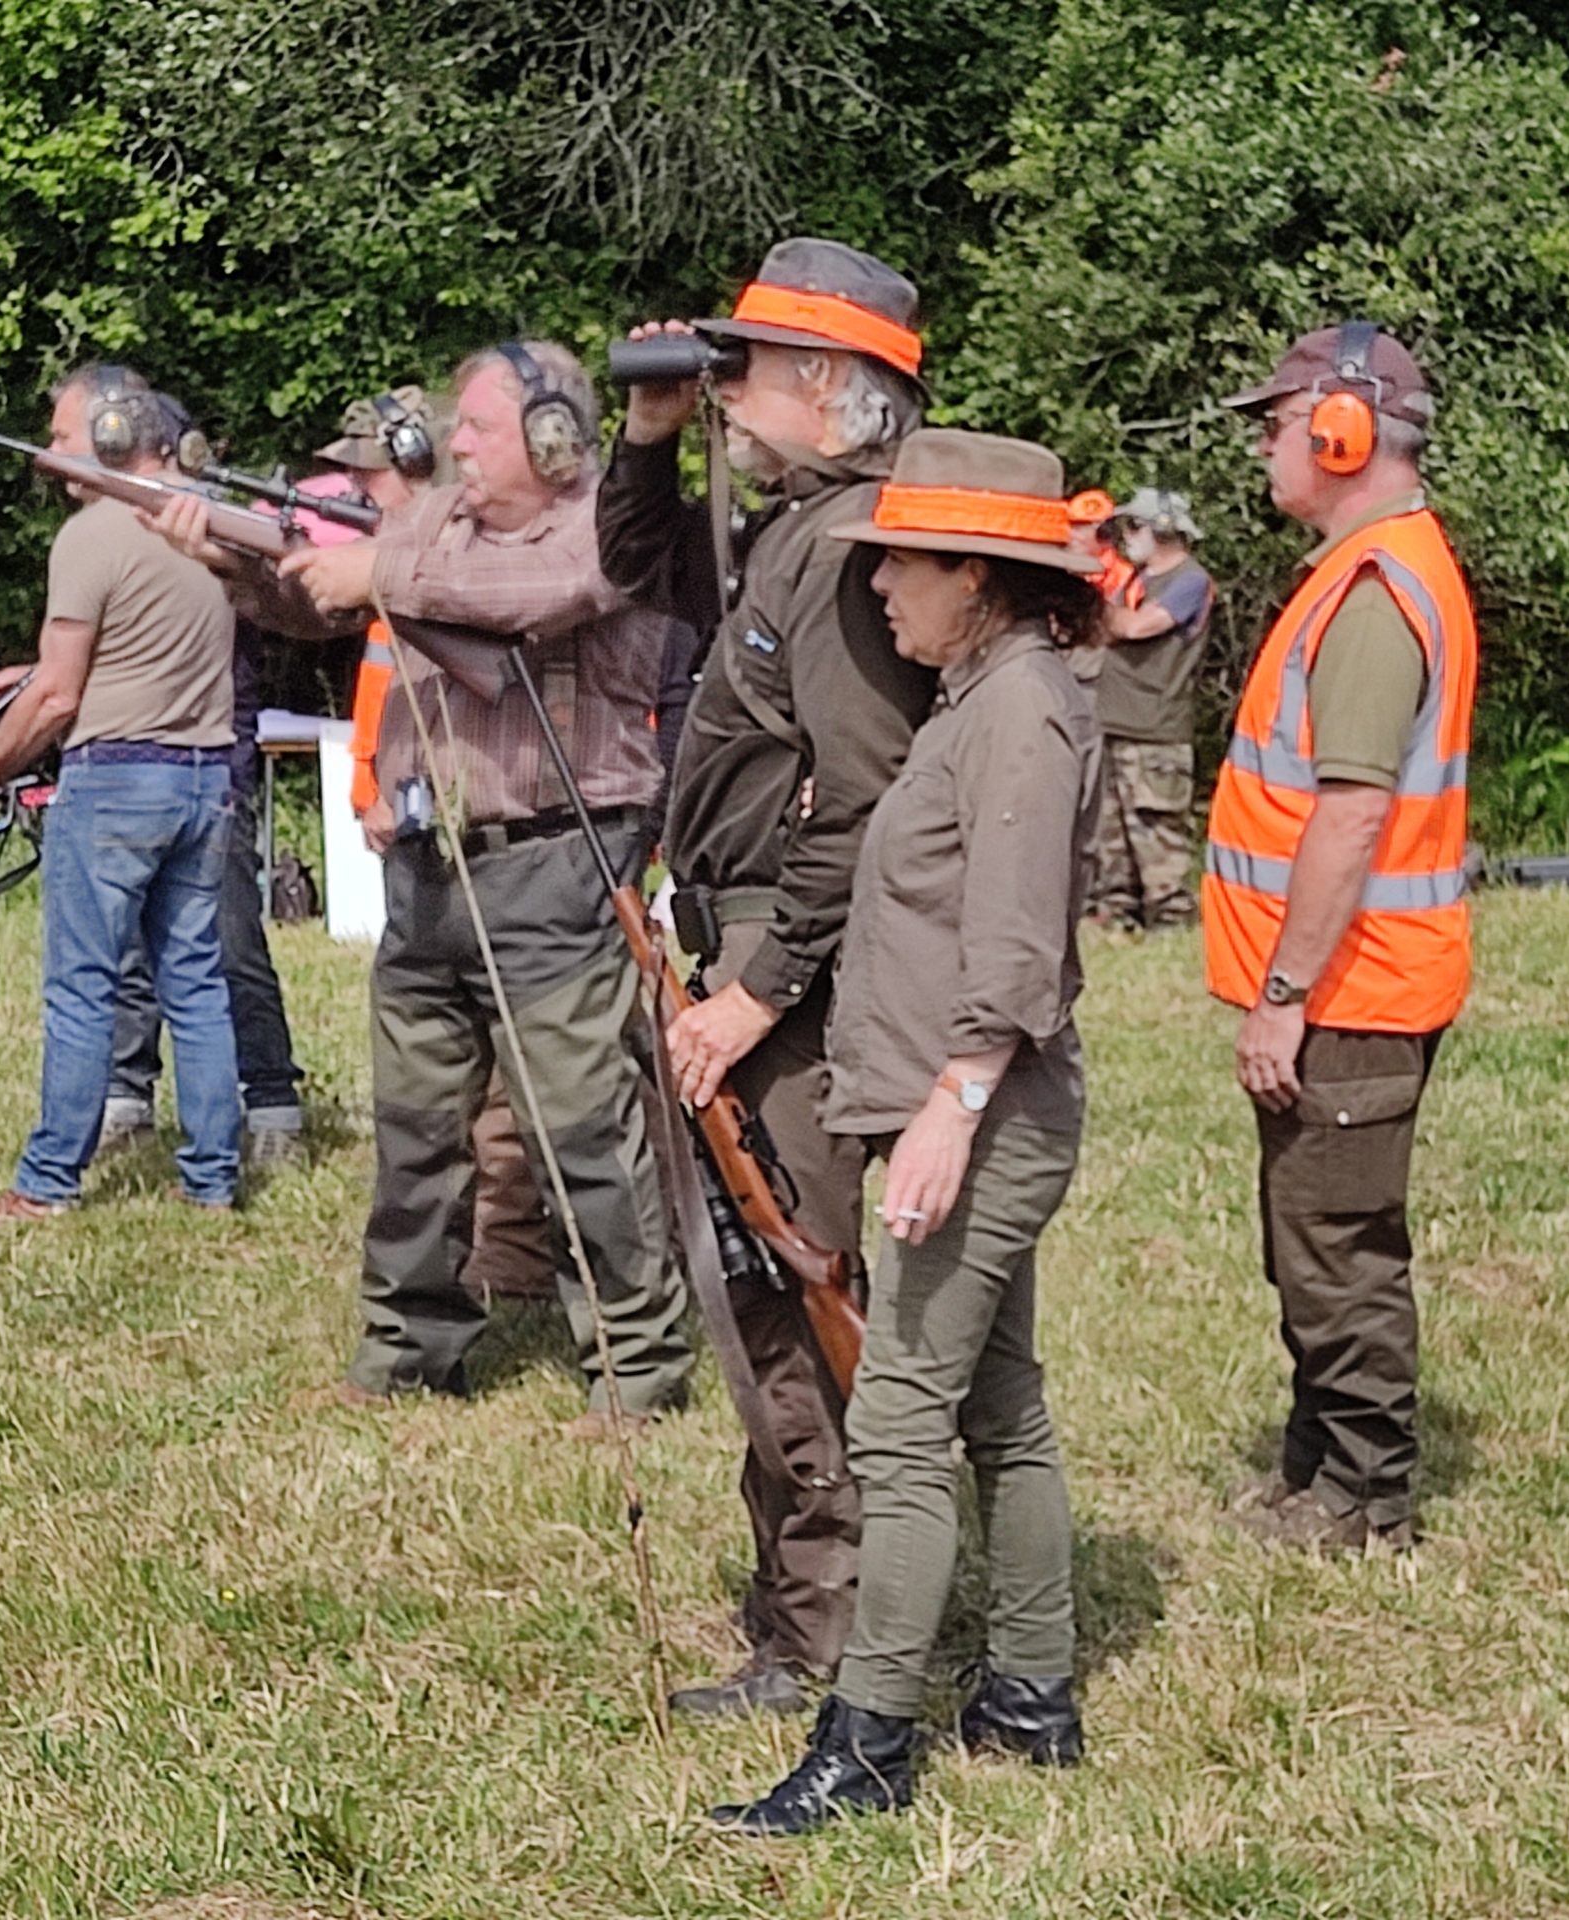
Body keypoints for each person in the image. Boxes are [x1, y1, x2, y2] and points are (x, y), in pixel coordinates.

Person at [166, 342, 694, 1425]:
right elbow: (317, 607)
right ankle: (407, 1351)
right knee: (415, 1133)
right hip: (427, 869)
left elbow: (546, 591)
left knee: (584, 1132)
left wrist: (378, 573)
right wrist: (234, 562)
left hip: (554, 858)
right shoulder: (430, 531)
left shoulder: (607, 526)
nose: (452, 442)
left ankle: (637, 1367)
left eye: (479, 428)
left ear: (554, 440)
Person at [712, 429, 1103, 1836]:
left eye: (902, 560)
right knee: (1003, 1409)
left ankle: (868, 1742)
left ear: (978, 576)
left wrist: (950, 1106)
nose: (877, 584)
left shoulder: (1019, 715)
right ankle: (1031, 1695)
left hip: (980, 1118)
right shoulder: (986, 696)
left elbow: (1011, 946)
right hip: (970, 1111)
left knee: (899, 1423)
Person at [598, 237, 937, 1719]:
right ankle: (807, 1609)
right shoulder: (793, 525)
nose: (723, 388)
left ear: (826, 386)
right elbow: (631, 573)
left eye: (746, 369)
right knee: (758, 1279)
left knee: (790, 1285)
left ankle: (829, 1638)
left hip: (792, 978)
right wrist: (652, 445)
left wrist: (756, 989)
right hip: (736, 934)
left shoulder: (852, 546)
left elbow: (860, 803)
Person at [1209, 322, 1477, 1554]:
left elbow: (1351, 812)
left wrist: (1284, 991)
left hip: (1350, 991)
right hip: (1347, 988)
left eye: (1277, 424)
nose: (1265, 445)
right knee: (1307, 1236)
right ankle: (1318, 1470)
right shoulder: (1365, 570)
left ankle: (1367, 1502)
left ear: (1342, 432)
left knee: (1337, 1250)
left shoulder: (1375, 593)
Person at [0, 365, 242, 1219]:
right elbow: (133, 654)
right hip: (206, 777)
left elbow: (59, 697)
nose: (49, 454)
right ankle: (213, 1179)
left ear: (108, 436)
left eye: (60, 437)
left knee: (83, 986)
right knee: (196, 983)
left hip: (116, 783)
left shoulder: (92, 536)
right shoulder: (208, 530)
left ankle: (49, 1179)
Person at [95, 612, 310, 1172]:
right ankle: (126, 1103)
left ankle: (272, 1107)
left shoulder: (215, 573)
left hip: (214, 782)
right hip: (131, 780)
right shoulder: (119, 564)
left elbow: (226, 695)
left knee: (233, 945)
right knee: (130, 948)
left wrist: (227, 784)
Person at [1085, 487, 1215, 932]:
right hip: (1113, 723)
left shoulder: (1189, 581)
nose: (1126, 536)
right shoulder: (1131, 580)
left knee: (1157, 833)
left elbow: (1136, 626)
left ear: (1163, 530)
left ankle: (1170, 921)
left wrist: (1085, 603)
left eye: (1134, 526)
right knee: (1110, 834)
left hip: (1156, 731)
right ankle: (1117, 915)